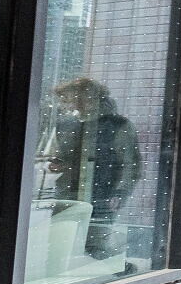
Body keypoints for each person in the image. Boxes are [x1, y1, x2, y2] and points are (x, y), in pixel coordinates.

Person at [48, 77, 141, 261]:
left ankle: (121, 273)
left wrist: (121, 192)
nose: (66, 105)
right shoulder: (65, 125)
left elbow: (131, 165)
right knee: (58, 246)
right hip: (68, 193)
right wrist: (58, 164)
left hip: (102, 196)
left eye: (69, 99)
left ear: (89, 98)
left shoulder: (118, 126)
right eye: (64, 101)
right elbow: (58, 156)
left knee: (95, 247)